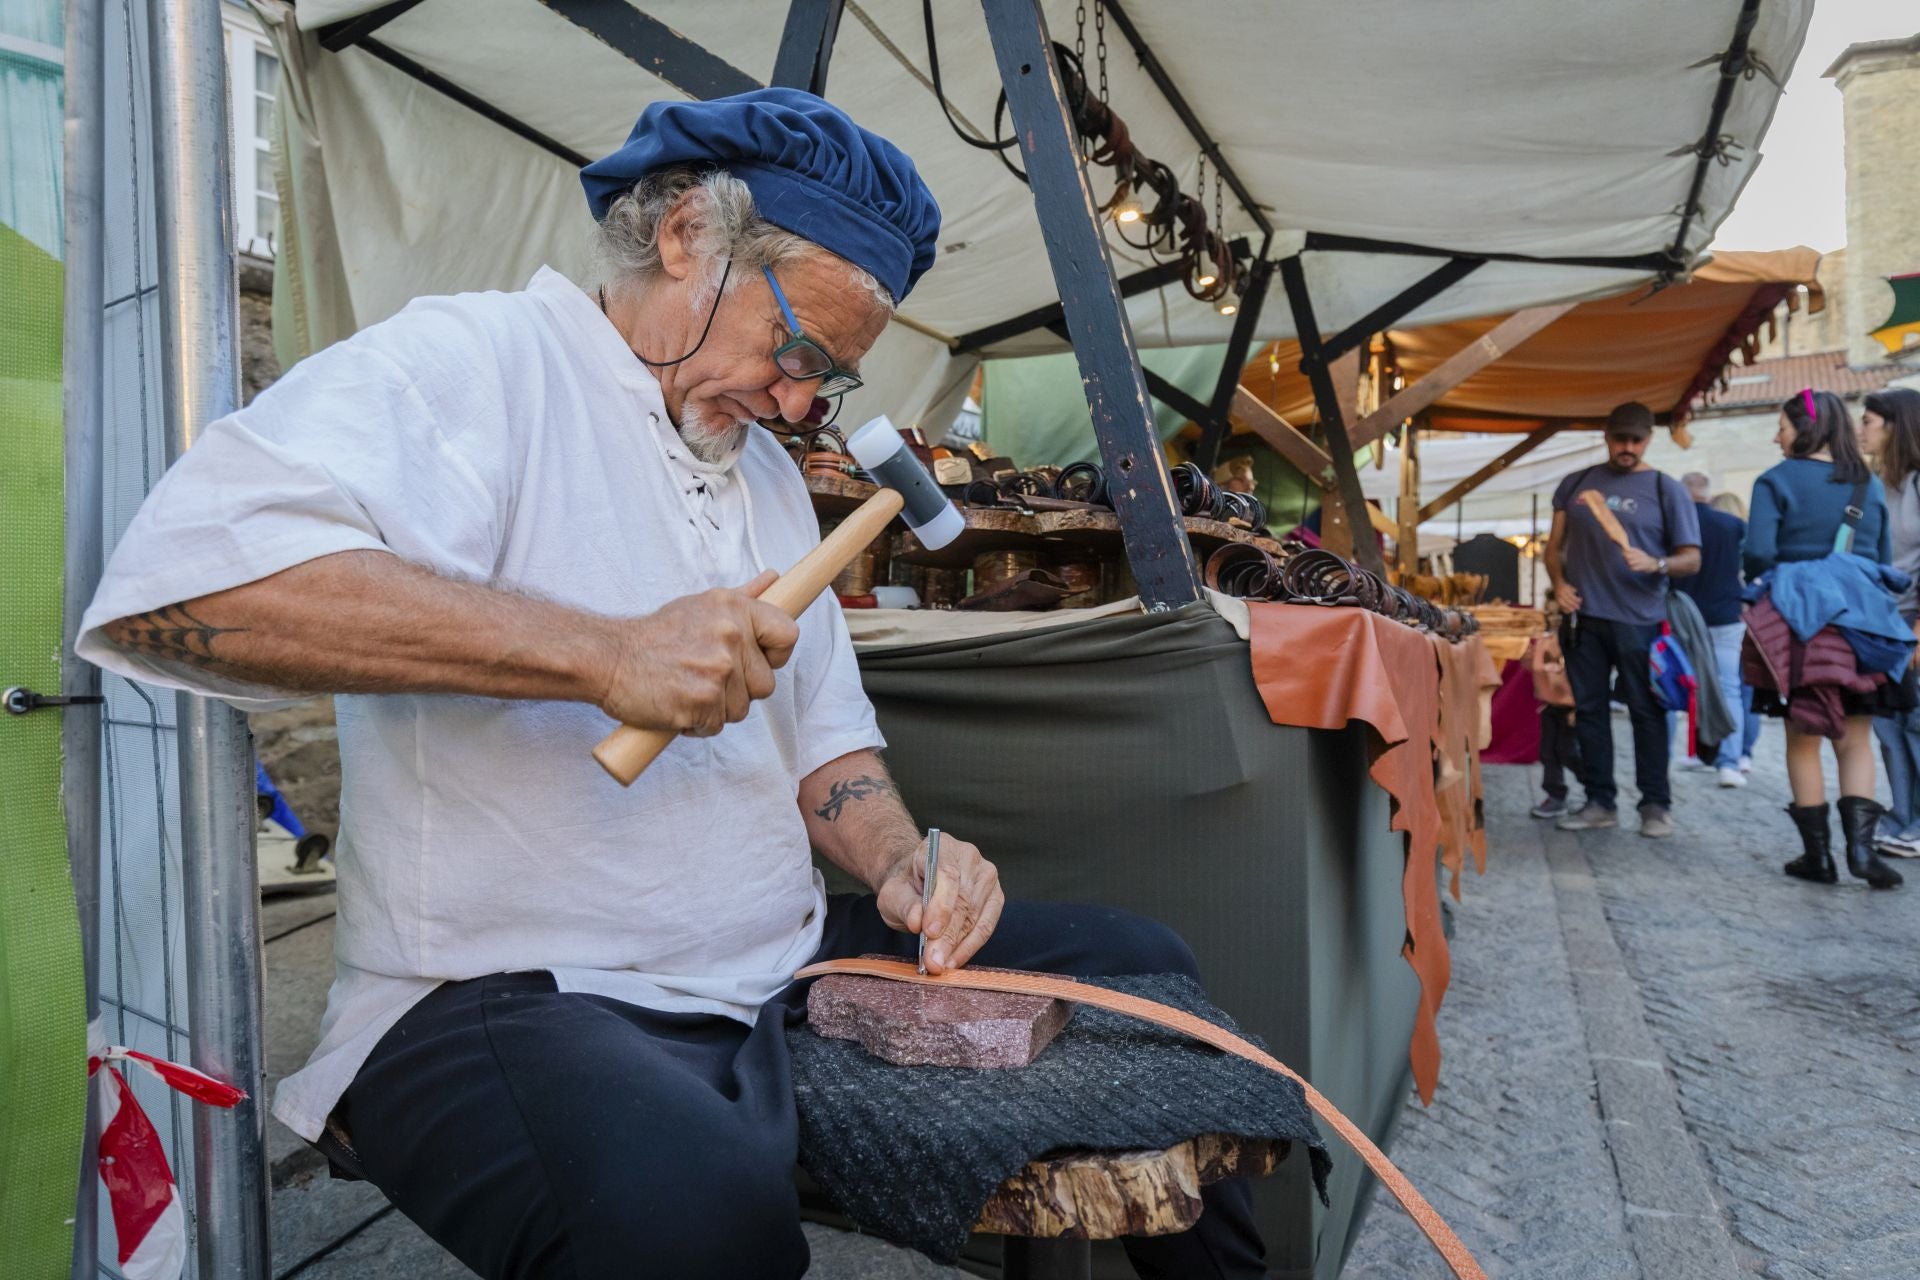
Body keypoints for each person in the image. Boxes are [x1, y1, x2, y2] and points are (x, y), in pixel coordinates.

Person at [75, 91, 1268, 1278]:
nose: (797, 402)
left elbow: (828, 755)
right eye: (796, 351)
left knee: (1144, 968)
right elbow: (182, 590)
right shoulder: (478, 364)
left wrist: (903, 859)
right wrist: (606, 654)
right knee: (693, 1220)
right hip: (509, 986)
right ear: (690, 234)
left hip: (778, 967)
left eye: (829, 380)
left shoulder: (771, 479)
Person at [1746, 389, 1906, 890]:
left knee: (1803, 739)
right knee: (1856, 741)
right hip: (1860, 628)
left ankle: (1817, 858)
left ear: (1805, 428)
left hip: (1800, 629)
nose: (1776, 437)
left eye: (1782, 427)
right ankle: (1862, 852)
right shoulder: (1867, 483)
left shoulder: (1774, 481)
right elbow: (1882, 560)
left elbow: (1758, 553)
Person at [1544, 402, 1702, 837]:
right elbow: (1553, 547)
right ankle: (1600, 801)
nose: (1627, 447)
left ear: (1649, 439)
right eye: (1620, 439)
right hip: (1583, 617)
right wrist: (1559, 583)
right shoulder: (1576, 484)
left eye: (1636, 440)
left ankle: (1655, 804)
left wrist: (1657, 564)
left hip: (1641, 620)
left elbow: (1691, 558)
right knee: (1589, 712)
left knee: (1647, 713)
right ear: (1606, 436)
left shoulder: (1666, 488)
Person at [1860, 387, 1920, 856]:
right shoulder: (1878, 483)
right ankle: (1903, 819)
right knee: (1888, 728)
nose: (1860, 429)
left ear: (1895, 426)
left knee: (1916, 725)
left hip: (1913, 624)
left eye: (1868, 421)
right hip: (1881, 626)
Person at [1675, 471, 1749, 787]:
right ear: (1707, 492)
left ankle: (1672, 757)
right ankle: (1729, 762)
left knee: (1673, 685)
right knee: (1729, 688)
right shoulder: (1733, 525)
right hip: (1726, 615)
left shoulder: (1676, 524)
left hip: (1682, 616)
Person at [1710, 490, 1762, 770]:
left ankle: (1725, 752)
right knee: (1746, 689)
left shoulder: (1716, 540)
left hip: (1727, 617)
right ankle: (1744, 753)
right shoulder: (1749, 536)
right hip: (1752, 618)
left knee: (1727, 686)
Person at [1527, 614, 1581, 818]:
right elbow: (1533, 667)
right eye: (1549, 613)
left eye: (1557, 614)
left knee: (1568, 752)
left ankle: (1594, 787)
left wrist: (1577, 707)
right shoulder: (1544, 640)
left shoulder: (1576, 639)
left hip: (1572, 707)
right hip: (1550, 705)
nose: (1553, 618)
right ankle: (1555, 795)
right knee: (1548, 752)